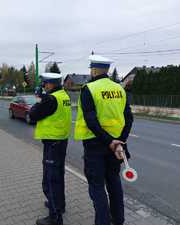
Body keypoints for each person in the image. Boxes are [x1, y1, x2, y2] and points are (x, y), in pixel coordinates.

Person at [74, 55, 133, 225]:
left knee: (97, 187)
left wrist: (109, 141)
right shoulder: (119, 89)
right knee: (114, 183)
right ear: (106, 70)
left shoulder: (89, 89)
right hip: (115, 148)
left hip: (95, 146)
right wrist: (120, 140)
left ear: (93, 70)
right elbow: (128, 118)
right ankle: (118, 220)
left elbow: (91, 120)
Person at [30, 72, 72, 225]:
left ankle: (55, 217)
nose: (43, 86)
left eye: (45, 83)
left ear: (51, 84)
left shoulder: (50, 98)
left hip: (53, 143)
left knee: (50, 179)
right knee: (58, 175)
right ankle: (60, 205)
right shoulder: (64, 95)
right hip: (61, 141)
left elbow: (33, 114)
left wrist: (39, 100)